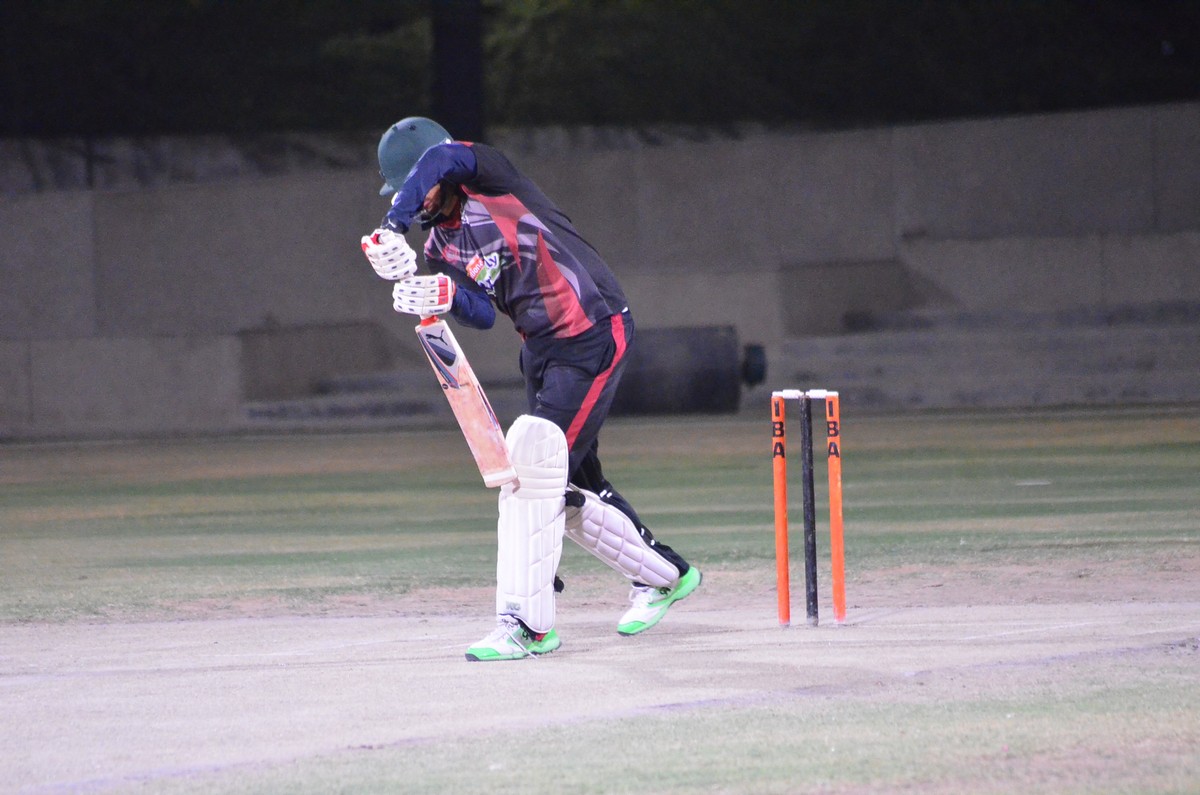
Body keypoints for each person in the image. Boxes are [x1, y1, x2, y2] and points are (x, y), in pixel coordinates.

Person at [360, 117, 701, 662]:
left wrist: (391, 223)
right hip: (540, 348)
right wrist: (442, 294)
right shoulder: (441, 246)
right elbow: (480, 313)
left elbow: (443, 158)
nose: (415, 200)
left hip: (592, 328)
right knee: (569, 483)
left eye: (413, 188)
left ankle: (528, 626)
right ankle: (667, 577)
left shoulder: (489, 178)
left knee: (534, 470)